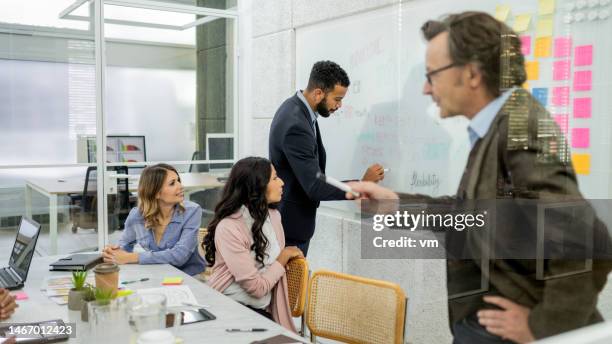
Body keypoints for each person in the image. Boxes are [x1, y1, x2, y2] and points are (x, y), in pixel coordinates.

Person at [348, 11, 612, 344]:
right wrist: (395, 205)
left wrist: (542, 326)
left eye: (433, 75)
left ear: (472, 73)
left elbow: (588, 243)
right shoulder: (495, 126)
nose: (426, 88)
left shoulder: (519, 130)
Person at [269, 60, 385, 255]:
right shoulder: (296, 124)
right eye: (337, 99)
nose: (339, 105)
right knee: (288, 286)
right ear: (318, 94)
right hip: (289, 229)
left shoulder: (297, 110)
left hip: (292, 223)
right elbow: (314, 186)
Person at [204, 157, 303, 332]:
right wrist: (284, 256)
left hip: (263, 309)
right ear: (256, 186)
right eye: (274, 178)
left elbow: (267, 275)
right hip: (230, 308)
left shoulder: (273, 217)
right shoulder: (229, 227)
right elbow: (257, 289)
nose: (281, 182)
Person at [103, 163, 205, 276]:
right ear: (155, 193)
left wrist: (132, 257)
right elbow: (124, 247)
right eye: (172, 183)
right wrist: (113, 252)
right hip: (157, 273)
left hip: (189, 276)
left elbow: (180, 256)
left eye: (178, 180)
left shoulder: (192, 211)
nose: (180, 186)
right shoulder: (136, 215)